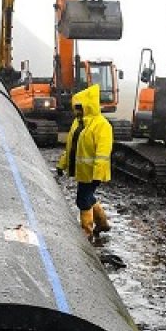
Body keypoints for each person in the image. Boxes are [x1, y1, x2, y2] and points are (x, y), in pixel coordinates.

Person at [56, 84, 113, 242]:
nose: (77, 110)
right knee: (87, 197)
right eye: (76, 107)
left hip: (92, 173)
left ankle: (86, 233)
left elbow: (103, 154)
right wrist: (62, 165)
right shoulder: (78, 123)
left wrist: (97, 175)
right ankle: (102, 223)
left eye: (79, 107)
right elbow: (70, 148)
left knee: (83, 199)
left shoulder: (102, 126)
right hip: (82, 171)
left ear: (88, 106)